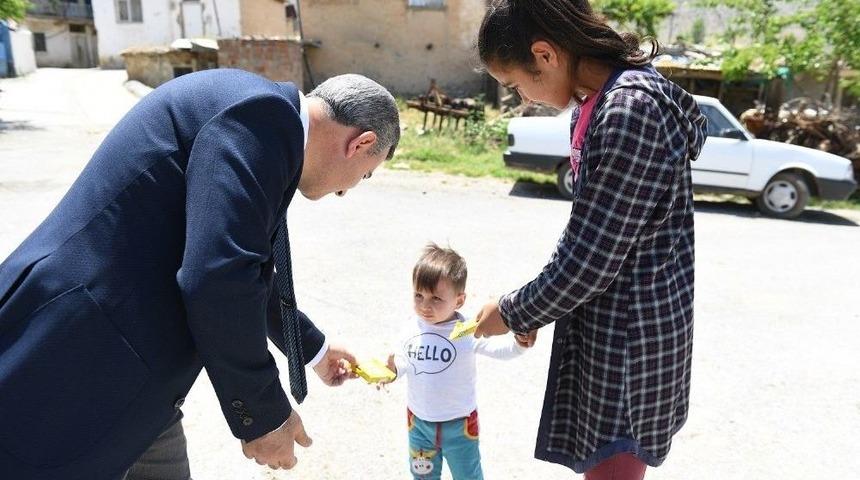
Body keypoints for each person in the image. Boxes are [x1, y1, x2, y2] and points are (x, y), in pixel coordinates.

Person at [0, 69, 400, 480]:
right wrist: (263, 414)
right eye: (366, 174)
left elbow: (241, 266)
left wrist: (311, 349)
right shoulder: (262, 117)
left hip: (133, 373)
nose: (347, 190)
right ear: (361, 143)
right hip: (77, 359)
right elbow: (220, 278)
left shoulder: (265, 120)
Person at [471, 1, 708, 479]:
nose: (524, 98)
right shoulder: (600, 101)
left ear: (545, 54)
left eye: (517, 83)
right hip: (613, 328)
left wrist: (515, 309)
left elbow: (589, 261)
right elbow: (589, 232)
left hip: (629, 342)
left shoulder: (629, 111)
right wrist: (539, 304)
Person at [380, 243, 528, 480]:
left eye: (436, 298)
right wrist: (392, 371)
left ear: (459, 301)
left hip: (459, 427)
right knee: (422, 476)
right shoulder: (411, 327)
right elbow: (405, 362)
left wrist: (519, 345)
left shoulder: (465, 330)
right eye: (419, 295)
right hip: (419, 425)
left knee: (468, 476)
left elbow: (498, 350)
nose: (425, 305)